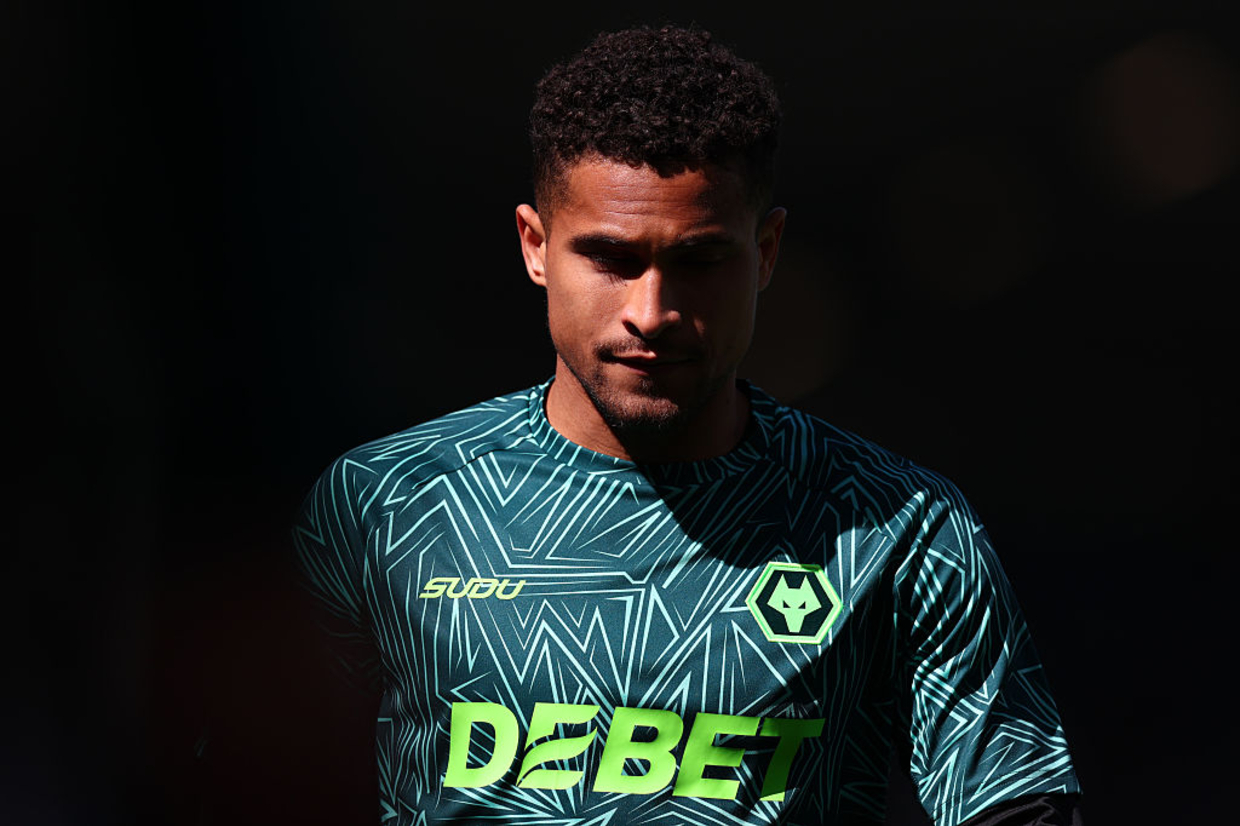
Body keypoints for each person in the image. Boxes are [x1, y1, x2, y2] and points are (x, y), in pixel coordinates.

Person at [293, 24, 1083, 825]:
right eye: (610, 258)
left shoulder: (901, 527)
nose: (651, 312)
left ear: (765, 251)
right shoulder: (382, 506)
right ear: (535, 246)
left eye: (699, 261)